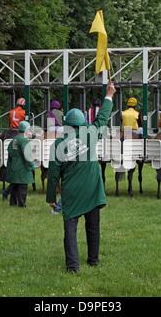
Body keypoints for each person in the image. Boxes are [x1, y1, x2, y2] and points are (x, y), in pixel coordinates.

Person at [46, 82, 116, 273]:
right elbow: (102, 117)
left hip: (72, 193)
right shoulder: (91, 132)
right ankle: (93, 260)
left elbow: (53, 175)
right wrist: (109, 95)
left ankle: (73, 267)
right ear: (82, 123)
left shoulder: (57, 145)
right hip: (93, 189)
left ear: (67, 124)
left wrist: (51, 197)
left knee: (70, 230)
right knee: (93, 227)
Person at [6, 121, 35, 207]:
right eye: (29, 130)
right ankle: (22, 204)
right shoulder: (24, 141)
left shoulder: (15, 139)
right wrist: (31, 164)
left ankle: (13, 203)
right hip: (23, 168)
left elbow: (9, 151)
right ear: (25, 131)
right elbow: (27, 155)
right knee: (23, 187)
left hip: (14, 166)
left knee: (15, 186)